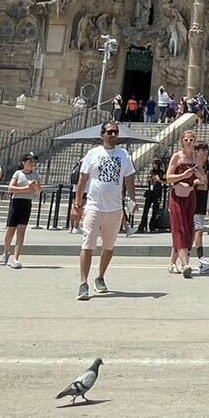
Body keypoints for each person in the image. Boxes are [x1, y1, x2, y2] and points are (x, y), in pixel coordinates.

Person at [73, 121, 137, 300]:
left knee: (109, 246)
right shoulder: (92, 154)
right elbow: (82, 180)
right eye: (109, 132)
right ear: (102, 134)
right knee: (88, 244)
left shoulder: (124, 154)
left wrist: (132, 199)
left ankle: (100, 277)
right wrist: (78, 204)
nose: (113, 135)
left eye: (116, 132)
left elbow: (130, 178)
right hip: (94, 206)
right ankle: (83, 283)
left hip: (115, 208)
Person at [166, 121, 199, 276]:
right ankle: (186, 264)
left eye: (191, 139)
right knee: (179, 229)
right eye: (186, 139)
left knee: (188, 230)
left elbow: (203, 178)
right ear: (182, 141)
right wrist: (182, 176)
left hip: (190, 196)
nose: (188, 142)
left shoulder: (196, 158)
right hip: (177, 197)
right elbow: (168, 177)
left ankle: (172, 262)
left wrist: (200, 178)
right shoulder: (176, 157)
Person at [0, 153, 41, 269]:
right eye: (29, 162)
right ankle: (6, 251)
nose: (32, 164)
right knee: (10, 230)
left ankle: (16, 258)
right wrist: (25, 188)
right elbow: (11, 188)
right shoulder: (18, 173)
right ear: (23, 162)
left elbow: (38, 191)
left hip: (26, 203)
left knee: (21, 230)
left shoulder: (35, 175)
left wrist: (35, 185)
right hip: (16, 202)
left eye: (33, 162)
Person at [192, 141, 209, 273]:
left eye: (206, 149)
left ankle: (202, 260)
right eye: (201, 149)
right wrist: (197, 182)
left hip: (201, 199)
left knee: (199, 230)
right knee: (188, 232)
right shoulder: (191, 165)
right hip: (190, 199)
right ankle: (180, 259)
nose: (204, 152)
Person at [138, 159, 166, 234]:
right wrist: (149, 179)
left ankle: (152, 226)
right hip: (150, 191)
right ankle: (142, 226)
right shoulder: (151, 171)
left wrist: (159, 180)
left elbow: (165, 181)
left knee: (155, 210)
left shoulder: (162, 172)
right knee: (145, 209)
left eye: (155, 164)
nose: (154, 165)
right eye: (153, 164)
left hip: (157, 192)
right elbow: (148, 179)